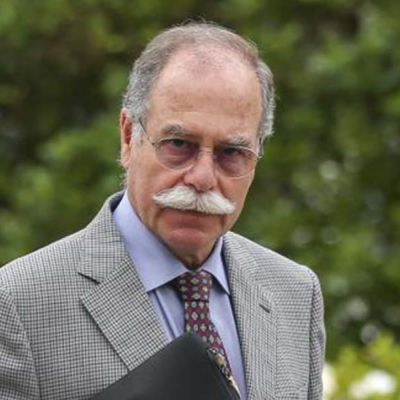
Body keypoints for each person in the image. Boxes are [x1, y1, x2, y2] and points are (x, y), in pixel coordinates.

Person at [0, 22, 325, 400]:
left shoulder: (295, 294)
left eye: (231, 153)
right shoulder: (20, 303)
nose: (203, 178)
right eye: (179, 144)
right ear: (128, 136)